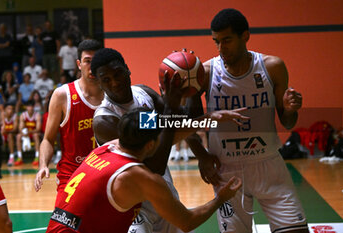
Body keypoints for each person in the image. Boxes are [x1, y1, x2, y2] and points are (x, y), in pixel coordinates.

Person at [90, 48, 248, 233]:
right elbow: (153, 165)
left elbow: (182, 121)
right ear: (98, 83)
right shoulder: (105, 121)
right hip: (133, 206)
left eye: (118, 74)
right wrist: (171, 109)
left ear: (127, 69)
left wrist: (192, 89)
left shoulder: (144, 93)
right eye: (106, 79)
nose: (115, 83)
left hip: (163, 193)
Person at [194, 8, 307, 233]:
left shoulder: (272, 66)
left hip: (269, 166)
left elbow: (287, 123)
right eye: (216, 41)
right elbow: (188, 122)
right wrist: (202, 155)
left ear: (245, 36)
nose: (220, 48)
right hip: (226, 170)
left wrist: (290, 109)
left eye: (227, 40)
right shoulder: (205, 72)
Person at [46, 108, 242, 233]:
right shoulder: (141, 177)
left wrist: (208, 119)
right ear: (150, 145)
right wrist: (220, 198)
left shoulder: (104, 149)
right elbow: (187, 222)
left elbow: (167, 133)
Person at [33, 39, 103, 206]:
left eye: (96, 61)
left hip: (105, 175)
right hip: (72, 176)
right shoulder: (62, 95)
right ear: (79, 64)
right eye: (87, 61)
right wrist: (43, 165)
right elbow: (48, 139)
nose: (92, 66)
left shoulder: (113, 94)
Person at [16, 100, 42, 166]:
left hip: (34, 133)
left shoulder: (37, 115)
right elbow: (20, 128)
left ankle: (37, 157)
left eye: (31, 106)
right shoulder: (23, 115)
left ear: (33, 107)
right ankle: (19, 157)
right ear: (26, 107)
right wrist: (23, 133)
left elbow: (38, 129)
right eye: (28, 106)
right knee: (18, 136)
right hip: (27, 133)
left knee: (36, 135)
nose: (30, 108)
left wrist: (29, 132)